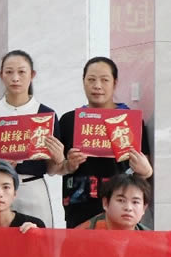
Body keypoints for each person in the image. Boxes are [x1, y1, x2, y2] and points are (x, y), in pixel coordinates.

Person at [59, 57, 152, 228]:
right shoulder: (69, 120)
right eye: (91, 79)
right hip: (79, 208)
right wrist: (68, 165)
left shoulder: (130, 121)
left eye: (104, 80)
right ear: (83, 81)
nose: (97, 86)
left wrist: (146, 170)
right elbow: (54, 168)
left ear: (115, 83)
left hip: (120, 209)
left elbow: (143, 169)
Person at [0, 50, 66, 228]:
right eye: (9, 72)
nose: (15, 78)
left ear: (32, 75)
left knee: (38, 240)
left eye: (22, 72)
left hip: (33, 189)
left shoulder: (46, 114)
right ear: (1, 75)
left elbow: (52, 169)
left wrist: (58, 159)